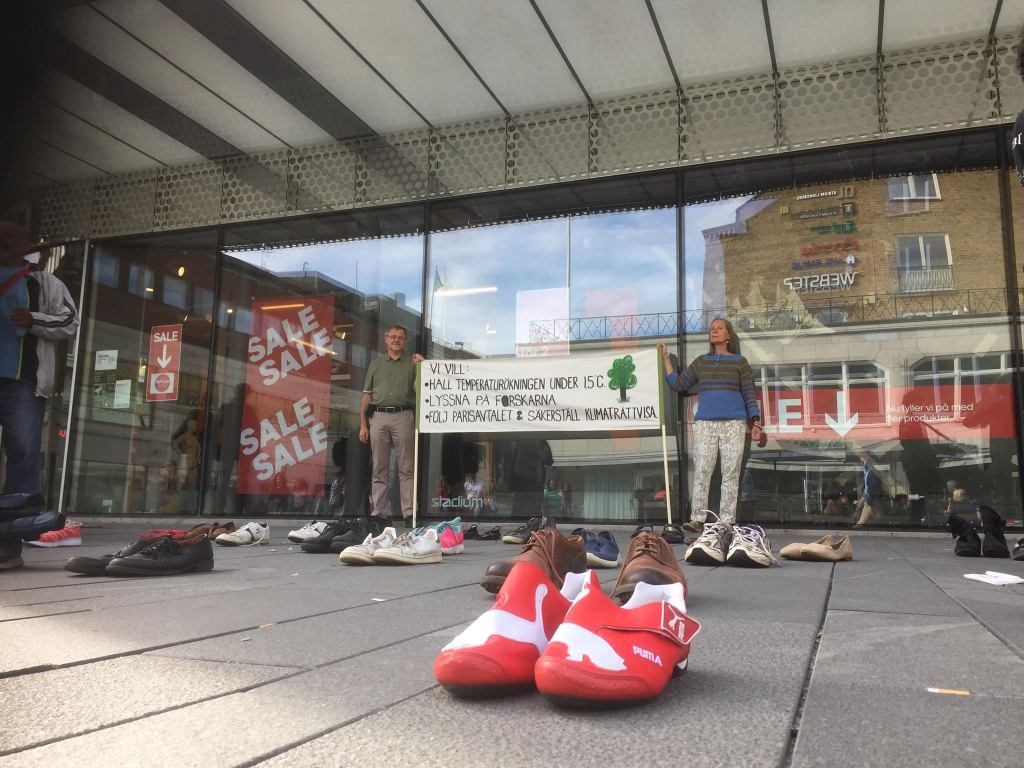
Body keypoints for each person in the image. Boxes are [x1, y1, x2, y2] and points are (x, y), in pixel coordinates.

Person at [0, 221, 80, 570]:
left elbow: (70, 320)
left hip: (23, 381)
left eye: (10, 235)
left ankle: (7, 546)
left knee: (23, 456)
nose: (3, 240)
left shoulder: (45, 282)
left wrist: (32, 319)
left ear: (26, 243)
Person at [658, 317, 762, 530]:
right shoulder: (701, 362)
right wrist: (666, 358)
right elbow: (678, 384)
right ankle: (697, 519)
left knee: (730, 473)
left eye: (719, 328)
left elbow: (749, 394)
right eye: (712, 328)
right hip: (705, 423)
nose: (714, 331)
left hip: (734, 423)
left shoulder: (740, 362)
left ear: (728, 335)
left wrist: (756, 422)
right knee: (702, 471)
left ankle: (727, 521)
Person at [359, 325, 423, 525]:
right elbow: (367, 396)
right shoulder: (376, 364)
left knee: (406, 468)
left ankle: (409, 514)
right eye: (393, 337)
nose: (396, 340)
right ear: (386, 339)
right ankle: (379, 514)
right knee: (379, 467)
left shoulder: (412, 363)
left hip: (403, 415)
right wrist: (363, 425)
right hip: (378, 416)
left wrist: (422, 368)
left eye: (400, 337)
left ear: (405, 342)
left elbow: (420, 388)